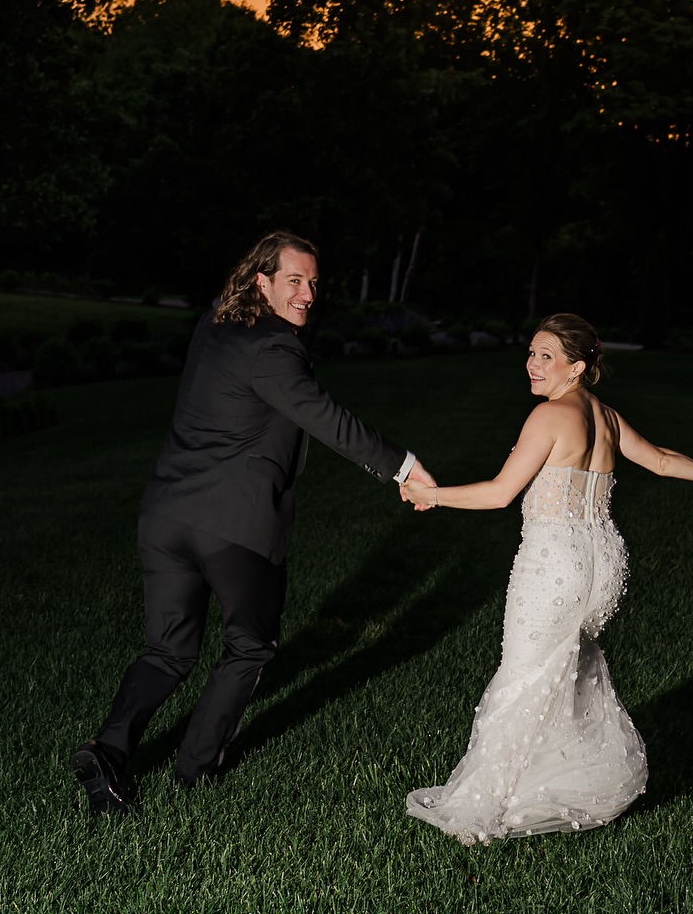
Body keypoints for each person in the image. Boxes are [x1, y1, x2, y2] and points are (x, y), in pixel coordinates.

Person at [72, 229, 435, 812]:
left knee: (168, 650)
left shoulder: (215, 322)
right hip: (234, 525)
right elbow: (324, 417)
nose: (309, 294)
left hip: (165, 515)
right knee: (250, 644)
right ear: (262, 280)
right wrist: (403, 468)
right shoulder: (274, 347)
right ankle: (193, 773)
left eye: (314, 283)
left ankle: (110, 749)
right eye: (294, 280)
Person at [400, 312, 693, 844]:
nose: (532, 364)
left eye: (546, 355)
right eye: (531, 352)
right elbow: (660, 461)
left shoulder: (550, 417)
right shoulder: (607, 417)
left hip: (555, 563)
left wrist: (432, 495)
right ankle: (553, 782)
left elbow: (501, 493)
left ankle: (483, 808)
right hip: (604, 563)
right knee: (560, 673)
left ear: (578, 366)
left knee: (524, 676)